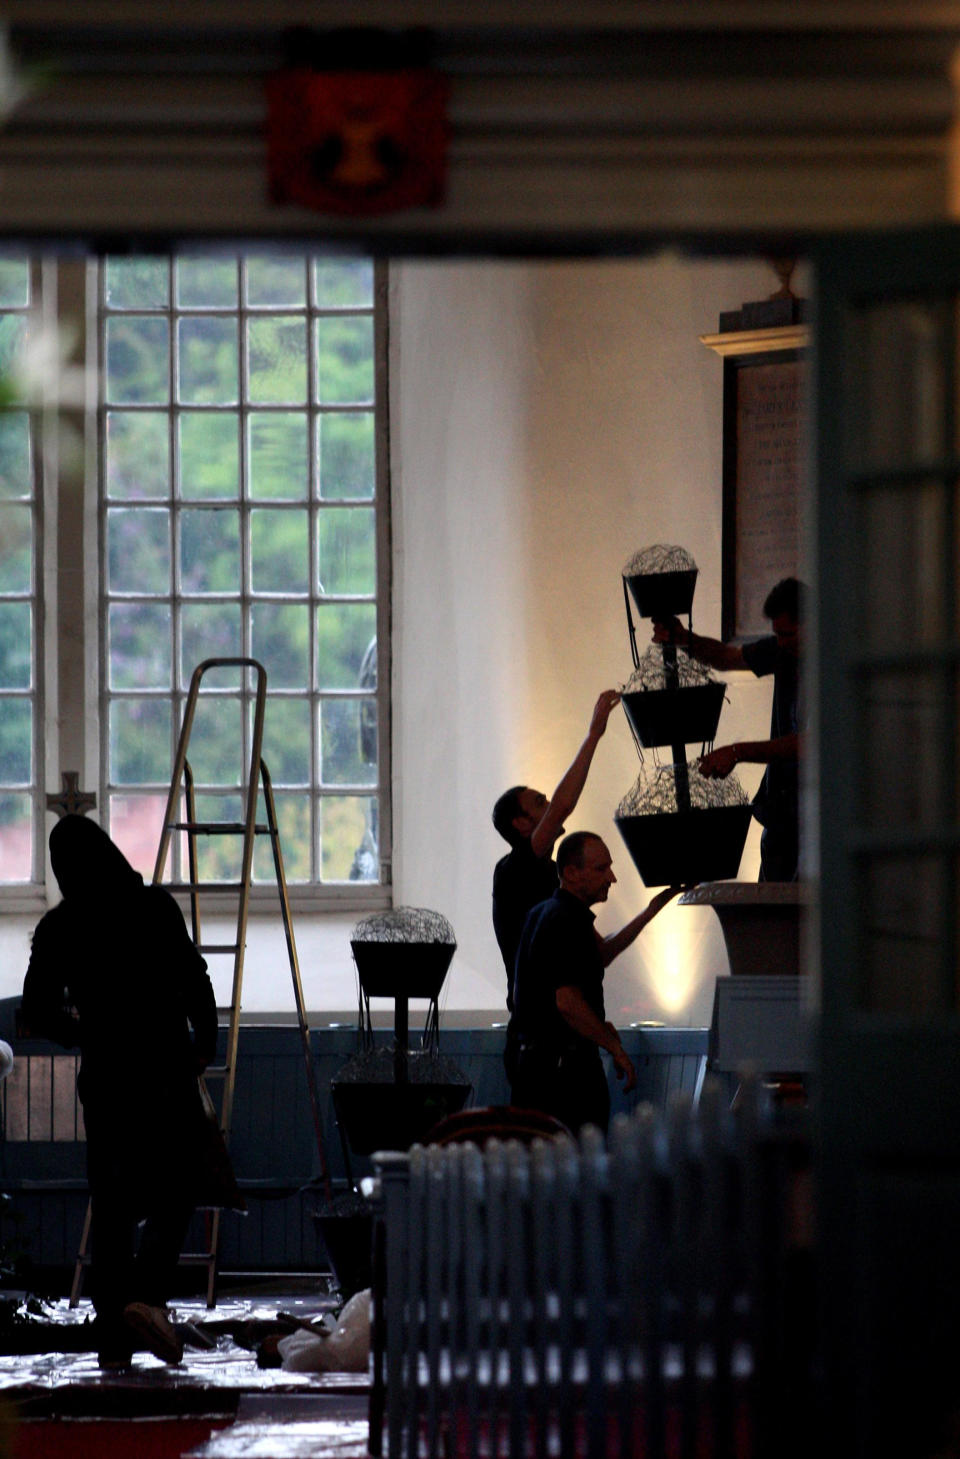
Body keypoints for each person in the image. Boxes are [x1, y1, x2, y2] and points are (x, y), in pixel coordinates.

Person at [21, 815, 218, 1370]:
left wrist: (88, 1032)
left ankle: (114, 1334)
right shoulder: (155, 907)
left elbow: (37, 1010)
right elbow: (194, 978)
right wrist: (203, 1042)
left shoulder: (61, 928)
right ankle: (147, 1299)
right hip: (166, 1070)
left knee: (111, 1204)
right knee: (177, 1187)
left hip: (108, 1078)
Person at [510, 831, 681, 1134]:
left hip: (534, 1070)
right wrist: (613, 1045)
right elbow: (568, 1002)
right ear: (571, 873)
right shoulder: (565, 920)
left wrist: (652, 909)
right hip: (563, 1076)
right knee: (576, 1166)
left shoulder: (547, 913)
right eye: (601, 869)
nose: (612, 877)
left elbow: (601, 953)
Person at [492, 688, 621, 1080]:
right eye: (539, 803)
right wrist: (593, 735)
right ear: (521, 824)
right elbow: (565, 805)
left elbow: (599, 953)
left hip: (573, 1043)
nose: (550, 806)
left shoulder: (553, 881)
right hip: (542, 1051)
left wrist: (652, 911)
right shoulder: (515, 869)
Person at [653, 576, 806, 882]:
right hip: (782, 811)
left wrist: (737, 752)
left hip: (817, 814)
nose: (782, 642)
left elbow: (809, 744)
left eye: (788, 634)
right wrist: (685, 639)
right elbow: (726, 658)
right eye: (777, 635)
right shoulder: (783, 651)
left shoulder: (835, 667)